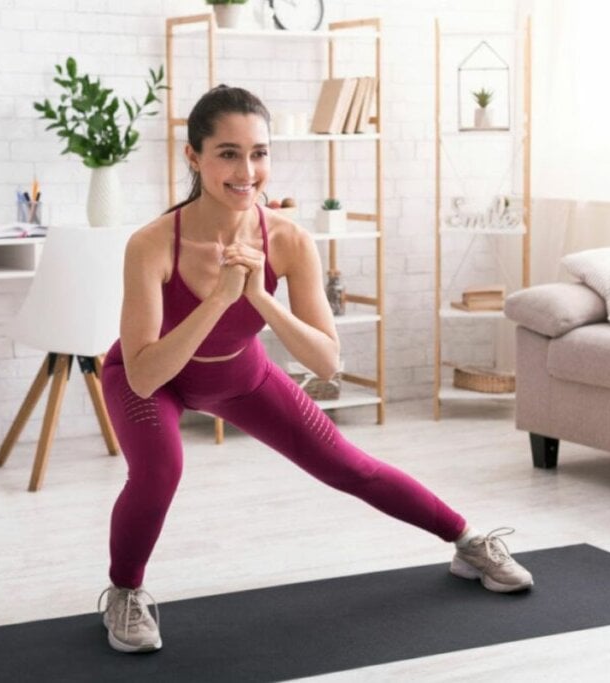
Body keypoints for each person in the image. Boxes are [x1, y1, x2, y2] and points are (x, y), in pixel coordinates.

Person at [97, 85, 533, 653]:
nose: (246, 170)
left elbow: (327, 362)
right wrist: (218, 300)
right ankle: (125, 593)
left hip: (241, 374)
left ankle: (469, 542)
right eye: (227, 153)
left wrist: (259, 297)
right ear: (193, 157)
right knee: (160, 470)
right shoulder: (152, 244)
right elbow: (145, 374)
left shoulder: (289, 241)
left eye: (259, 153)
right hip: (151, 376)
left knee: (348, 466)